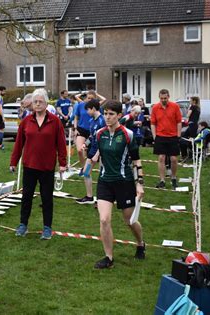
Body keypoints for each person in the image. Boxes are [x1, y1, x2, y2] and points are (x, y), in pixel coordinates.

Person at [90, 100, 145, 269]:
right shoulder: (99, 134)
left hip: (124, 182)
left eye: (111, 114)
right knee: (104, 219)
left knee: (129, 221)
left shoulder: (128, 134)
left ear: (119, 115)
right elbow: (96, 155)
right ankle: (109, 257)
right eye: (105, 113)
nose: (107, 117)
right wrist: (88, 164)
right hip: (105, 182)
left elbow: (136, 159)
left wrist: (139, 183)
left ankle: (140, 243)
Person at [10, 89, 67, 240]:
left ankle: (47, 228)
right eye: (35, 102)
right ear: (32, 104)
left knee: (47, 198)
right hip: (29, 165)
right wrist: (13, 162)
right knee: (26, 196)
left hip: (47, 167)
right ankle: (23, 225)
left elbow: (61, 143)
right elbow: (18, 144)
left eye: (40, 102)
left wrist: (63, 163)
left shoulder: (55, 121)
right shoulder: (26, 122)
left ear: (46, 103)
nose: (38, 104)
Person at [76, 99, 105, 205]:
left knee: (103, 175)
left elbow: (104, 139)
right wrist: (85, 144)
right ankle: (89, 197)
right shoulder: (91, 121)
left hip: (102, 152)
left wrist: (97, 154)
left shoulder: (102, 121)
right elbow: (92, 136)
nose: (87, 112)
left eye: (88, 110)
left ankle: (102, 198)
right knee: (86, 172)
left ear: (93, 109)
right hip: (92, 150)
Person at [151, 89, 182, 189]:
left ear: (168, 97)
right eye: (161, 98)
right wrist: (154, 136)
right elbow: (153, 123)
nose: (163, 100)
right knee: (161, 158)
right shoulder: (155, 108)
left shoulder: (175, 106)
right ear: (159, 98)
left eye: (165, 98)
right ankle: (162, 180)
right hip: (160, 136)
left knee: (173, 159)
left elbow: (179, 122)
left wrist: (178, 135)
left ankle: (173, 178)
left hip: (173, 136)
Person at [74, 90, 106, 170]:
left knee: (94, 158)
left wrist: (97, 154)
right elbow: (76, 117)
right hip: (82, 130)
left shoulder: (100, 119)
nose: (90, 100)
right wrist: (75, 128)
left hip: (95, 138)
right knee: (80, 150)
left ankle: (89, 169)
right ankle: (84, 167)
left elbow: (102, 139)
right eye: (88, 98)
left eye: (92, 98)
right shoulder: (81, 105)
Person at [180, 96, 201, 161]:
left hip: (192, 125)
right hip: (194, 125)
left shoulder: (192, 107)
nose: (190, 101)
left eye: (190, 100)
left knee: (190, 140)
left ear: (194, 101)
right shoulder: (198, 108)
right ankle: (188, 155)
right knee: (184, 138)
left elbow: (187, 115)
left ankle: (189, 155)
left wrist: (188, 110)